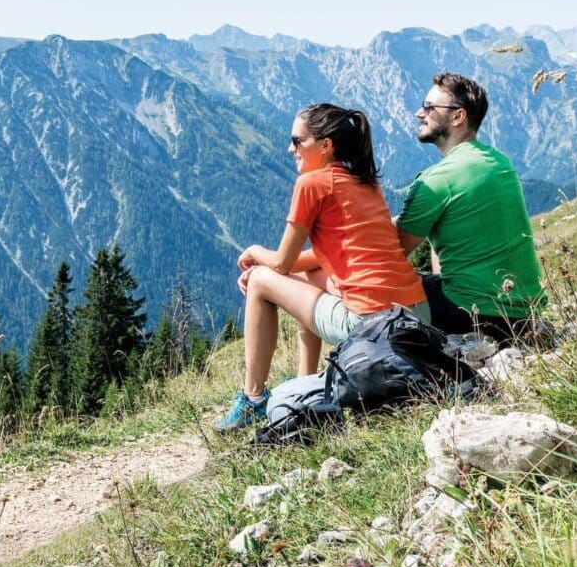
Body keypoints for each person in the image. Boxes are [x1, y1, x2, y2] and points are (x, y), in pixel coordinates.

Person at [214, 103, 430, 431]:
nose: (290, 148)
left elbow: (283, 260)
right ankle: (306, 380)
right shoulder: (365, 182)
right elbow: (326, 255)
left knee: (258, 282)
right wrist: (277, 270)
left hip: (371, 327)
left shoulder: (312, 183)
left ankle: (253, 399)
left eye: (297, 141)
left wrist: (257, 256)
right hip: (416, 317)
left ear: (325, 145)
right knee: (309, 278)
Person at [395, 73, 546, 342]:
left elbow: (392, 255)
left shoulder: (437, 179)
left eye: (429, 107)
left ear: (457, 117)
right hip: (524, 316)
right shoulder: (500, 162)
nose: (420, 113)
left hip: (472, 315)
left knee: (355, 279)